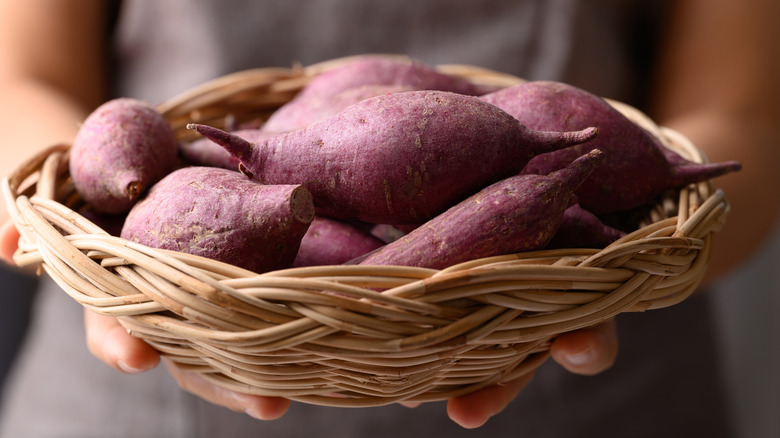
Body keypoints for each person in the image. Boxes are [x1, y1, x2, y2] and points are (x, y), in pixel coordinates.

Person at [0, 0, 777, 436]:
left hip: (591, 365)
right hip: (141, 375)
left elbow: (743, 118)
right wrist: (91, 254)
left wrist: (626, 270)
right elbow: (20, 78)